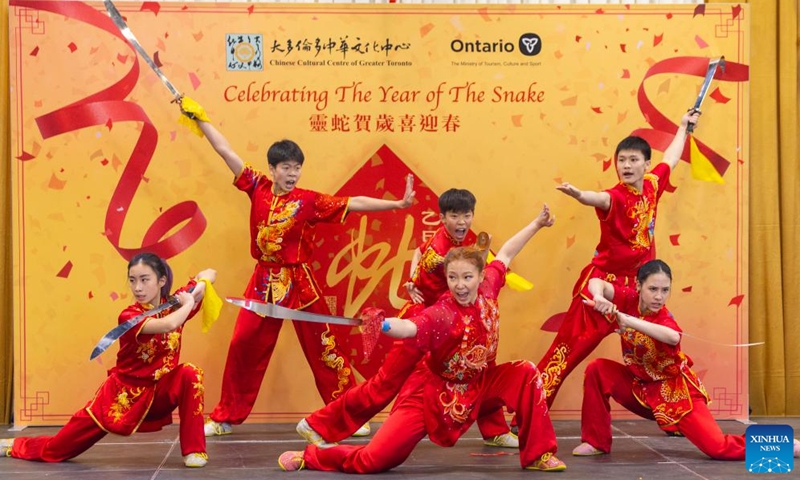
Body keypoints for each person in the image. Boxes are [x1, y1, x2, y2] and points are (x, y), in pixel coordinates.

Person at [177, 98, 416, 437]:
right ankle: (227, 416)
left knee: (324, 347)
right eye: (286, 167)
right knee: (243, 344)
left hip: (298, 282)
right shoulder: (256, 186)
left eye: (297, 167)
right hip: (262, 282)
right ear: (272, 169)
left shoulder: (307, 201)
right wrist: (200, 119)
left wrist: (398, 203)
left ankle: (349, 412)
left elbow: (354, 202)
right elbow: (225, 151)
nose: (292, 174)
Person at [278, 204, 567, 473]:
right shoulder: (442, 313)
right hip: (432, 395)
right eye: (453, 278)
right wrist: (384, 324)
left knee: (526, 373)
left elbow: (505, 254)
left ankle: (538, 454)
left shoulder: (490, 286)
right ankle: (312, 456)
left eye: (467, 278)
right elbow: (410, 328)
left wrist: (537, 224)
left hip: (478, 385)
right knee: (375, 459)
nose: (460, 285)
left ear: (481, 276)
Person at [296, 189, 516, 449]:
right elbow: (431, 257)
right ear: (442, 217)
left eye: (467, 215)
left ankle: (495, 431)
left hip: (455, 326)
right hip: (422, 325)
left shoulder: (466, 240)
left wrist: (412, 278)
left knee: (482, 366)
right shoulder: (440, 251)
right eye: (454, 216)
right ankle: (317, 425)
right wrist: (417, 282)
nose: (462, 222)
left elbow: (416, 252)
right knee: (385, 384)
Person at [536, 110, 702, 407]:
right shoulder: (615, 196)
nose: (626, 166)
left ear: (645, 164)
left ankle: (677, 411)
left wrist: (682, 129)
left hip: (638, 287)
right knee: (566, 352)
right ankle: (528, 414)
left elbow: (671, 160)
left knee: (661, 346)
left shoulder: (652, 185)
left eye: (633, 160)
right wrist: (579, 195)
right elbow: (598, 198)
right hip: (603, 287)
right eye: (621, 161)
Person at [0, 253, 216, 467]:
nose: (137, 288)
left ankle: (194, 451)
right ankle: (14, 445)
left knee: (190, 373)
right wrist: (188, 303)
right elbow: (168, 324)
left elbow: (208, 274)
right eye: (132, 280)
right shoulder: (130, 316)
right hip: (120, 397)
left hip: (158, 393)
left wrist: (201, 283)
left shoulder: (174, 303)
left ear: (161, 281)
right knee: (57, 450)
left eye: (144, 279)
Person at [573, 259, 800, 460]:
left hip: (676, 396)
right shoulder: (629, 299)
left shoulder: (664, 319)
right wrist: (601, 297)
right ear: (639, 286)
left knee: (718, 448)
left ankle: (782, 444)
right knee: (597, 369)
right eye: (652, 289)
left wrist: (623, 319)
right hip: (640, 390)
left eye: (665, 290)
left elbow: (672, 337)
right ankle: (596, 441)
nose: (659, 296)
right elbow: (596, 281)